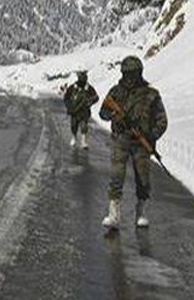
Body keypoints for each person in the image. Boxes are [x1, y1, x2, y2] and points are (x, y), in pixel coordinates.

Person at [99, 56, 168, 230]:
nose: (131, 77)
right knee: (116, 176)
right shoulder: (116, 92)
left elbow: (162, 120)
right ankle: (114, 214)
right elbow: (103, 112)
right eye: (128, 73)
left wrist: (151, 136)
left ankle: (141, 211)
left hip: (140, 143)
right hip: (120, 139)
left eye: (134, 73)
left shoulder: (151, 94)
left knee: (143, 179)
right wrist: (116, 116)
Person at [64, 71, 99, 149]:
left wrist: (89, 103)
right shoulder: (73, 87)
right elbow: (66, 97)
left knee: (84, 126)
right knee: (74, 126)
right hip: (74, 111)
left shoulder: (88, 88)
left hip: (84, 111)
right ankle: (74, 138)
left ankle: (83, 142)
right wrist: (69, 106)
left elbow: (96, 97)